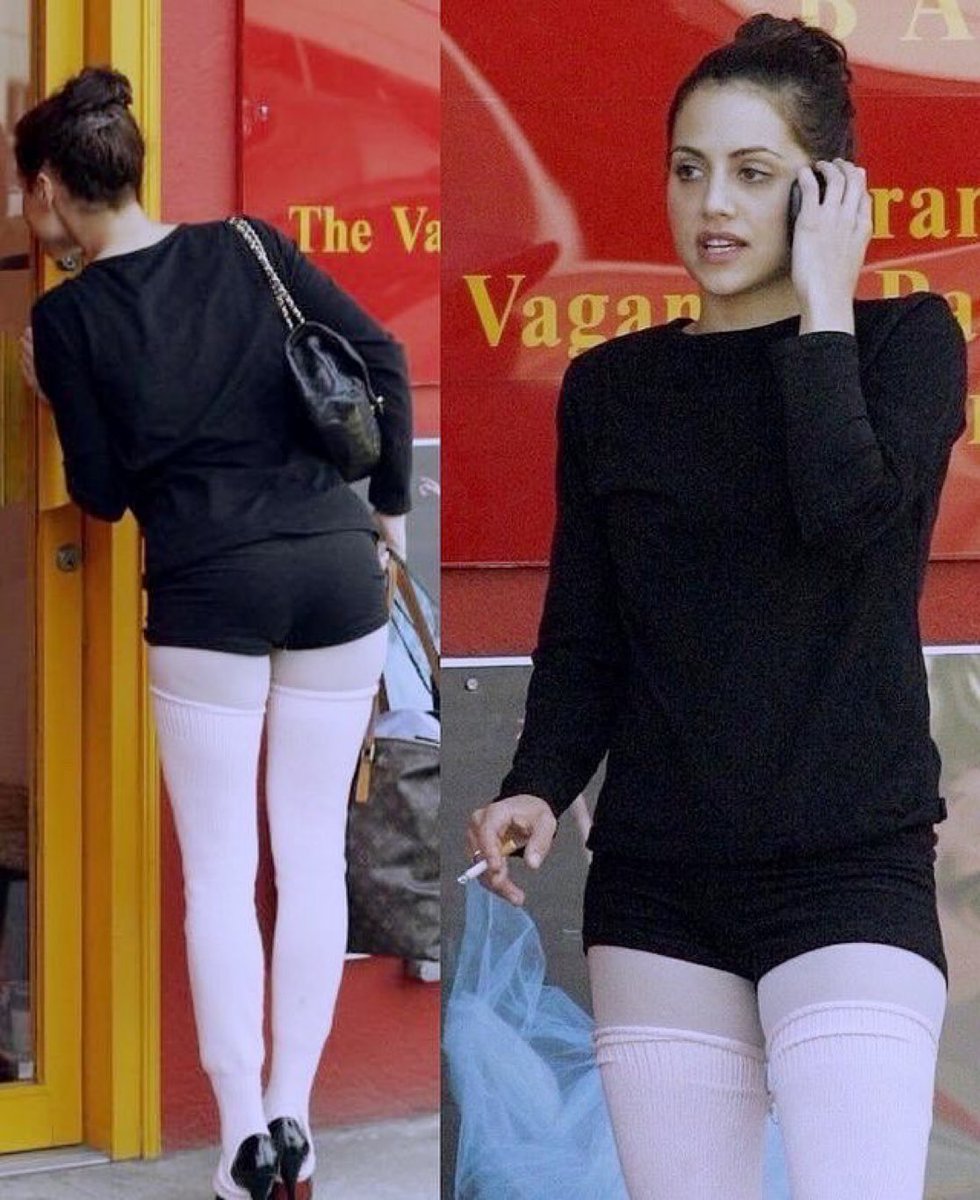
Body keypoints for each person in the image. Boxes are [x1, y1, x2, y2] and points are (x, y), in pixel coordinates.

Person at [466, 14, 967, 1199]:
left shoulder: (905, 341)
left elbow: (851, 519)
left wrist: (825, 304)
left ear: (827, 191)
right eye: (689, 169)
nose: (712, 205)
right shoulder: (611, 387)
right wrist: (535, 779)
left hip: (849, 868)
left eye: (753, 173)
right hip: (658, 886)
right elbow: (587, 624)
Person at [16, 66, 412, 1200]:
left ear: (51, 187)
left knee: (223, 873)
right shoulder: (251, 244)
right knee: (308, 858)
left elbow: (98, 494)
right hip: (337, 573)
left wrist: (55, 396)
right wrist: (384, 506)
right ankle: (297, 1115)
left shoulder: (69, 318)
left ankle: (244, 1138)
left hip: (208, 591)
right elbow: (380, 356)